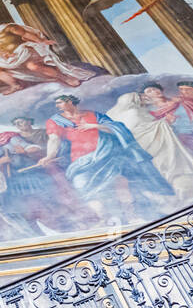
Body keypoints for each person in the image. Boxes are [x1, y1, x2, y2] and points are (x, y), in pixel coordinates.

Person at [42, 94, 175, 219]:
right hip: (81, 159)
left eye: (59, 103)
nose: (57, 106)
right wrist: (49, 156)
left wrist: (95, 125)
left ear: (69, 102)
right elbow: (54, 139)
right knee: (83, 186)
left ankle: (132, 214)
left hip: (110, 154)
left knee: (121, 182)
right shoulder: (55, 121)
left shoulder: (93, 115)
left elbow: (116, 128)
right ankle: (104, 218)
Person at [109, 91, 193, 203]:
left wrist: (164, 123)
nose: (143, 98)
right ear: (134, 100)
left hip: (153, 142)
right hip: (150, 142)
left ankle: (186, 193)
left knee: (170, 165)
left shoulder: (136, 111)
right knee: (172, 164)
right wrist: (165, 122)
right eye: (140, 97)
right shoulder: (133, 112)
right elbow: (136, 131)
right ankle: (185, 193)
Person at [0, 20, 97, 92]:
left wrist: (41, 41)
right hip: (7, 56)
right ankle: (14, 85)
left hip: (22, 50)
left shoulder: (8, 27)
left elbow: (25, 34)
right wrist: (2, 53)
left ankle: (64, 77)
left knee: (33, 67)